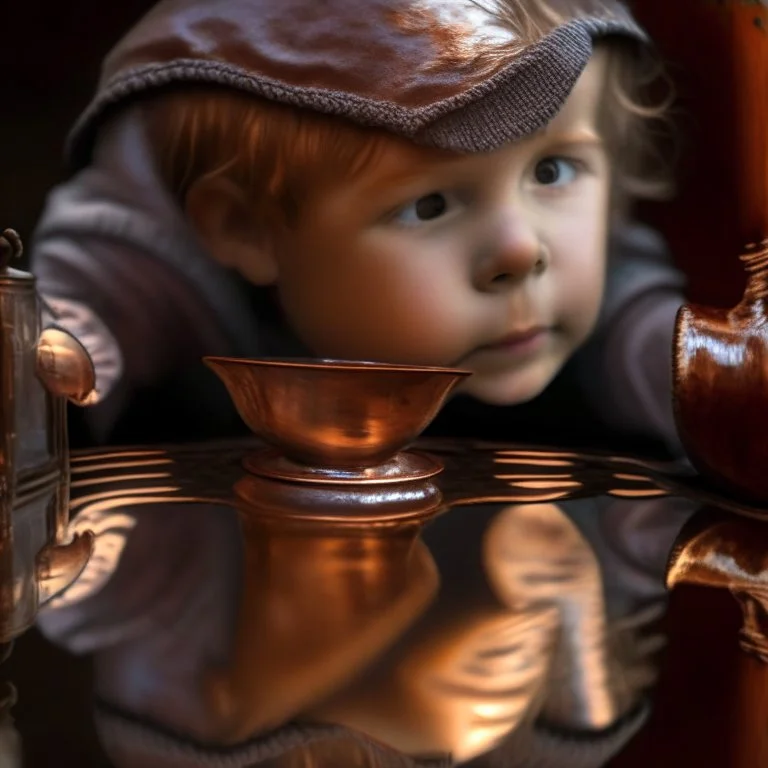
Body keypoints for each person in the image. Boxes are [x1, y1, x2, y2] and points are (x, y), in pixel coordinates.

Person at [31, 0, 694, 765]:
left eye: (552, 170)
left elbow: (648, 333)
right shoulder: (157, 224)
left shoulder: (597, 274)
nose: (521, 249)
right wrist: (345, 704)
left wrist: (706, 381)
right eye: (431, 202)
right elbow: (90, 304)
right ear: (245, 229)